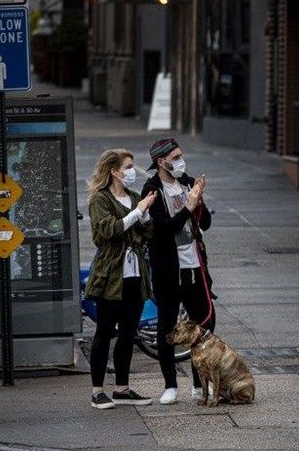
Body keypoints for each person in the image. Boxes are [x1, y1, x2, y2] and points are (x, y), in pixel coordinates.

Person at [142, 137, 215, 405]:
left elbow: (204, 223)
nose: (181, 161)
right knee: (168, 328)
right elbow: (164, 229)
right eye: (175, 158)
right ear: (161, 162)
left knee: (203, 324)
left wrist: (199, 200)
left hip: (194, 267)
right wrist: (188, 205)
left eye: (181, 155)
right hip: (168, 270)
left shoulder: (187, 182)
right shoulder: (152, 189)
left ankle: (198, 383)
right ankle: (170, 385)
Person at [84, 149, 156, 409]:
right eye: (127, 167)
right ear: (114, 171)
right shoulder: (100, 199)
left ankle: (122, 389)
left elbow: (148, 231)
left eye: (132, 166)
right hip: (110, 274)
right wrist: (138, 212)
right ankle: (97, 391)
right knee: (104, 332)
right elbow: (107, 232)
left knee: (128, 333)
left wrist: (145, 213)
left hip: (135, 274)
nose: (131, 172)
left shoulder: (135, 197)